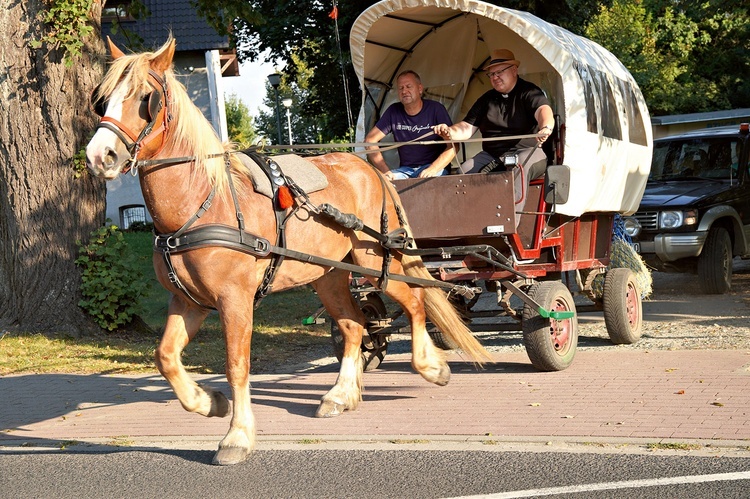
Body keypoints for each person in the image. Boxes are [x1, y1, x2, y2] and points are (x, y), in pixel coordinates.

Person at [433, 49, 555, 223]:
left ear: (514, 70)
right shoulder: (486, 100)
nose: (495, 77)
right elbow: (466, 128)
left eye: (499, 72)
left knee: (518, 166)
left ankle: (508, 224)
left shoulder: (529, 92)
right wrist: (449, 132)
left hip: (528, 151)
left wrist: (546, 127)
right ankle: (465, 224)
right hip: (493, 156)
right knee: (463, 172)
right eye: (491, 74)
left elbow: (544, 111)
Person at [365, 70, 456, 180]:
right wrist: (386, 172)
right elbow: (370, 141)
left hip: (434, 169)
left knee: (426, 185)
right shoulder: (393, 111)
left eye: (409, 86)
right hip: (404, 171)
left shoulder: (436, 109)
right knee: (384, 186)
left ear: (420, 89)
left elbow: (454, 145)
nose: (404, 91)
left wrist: (433, 169)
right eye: (401, 88)